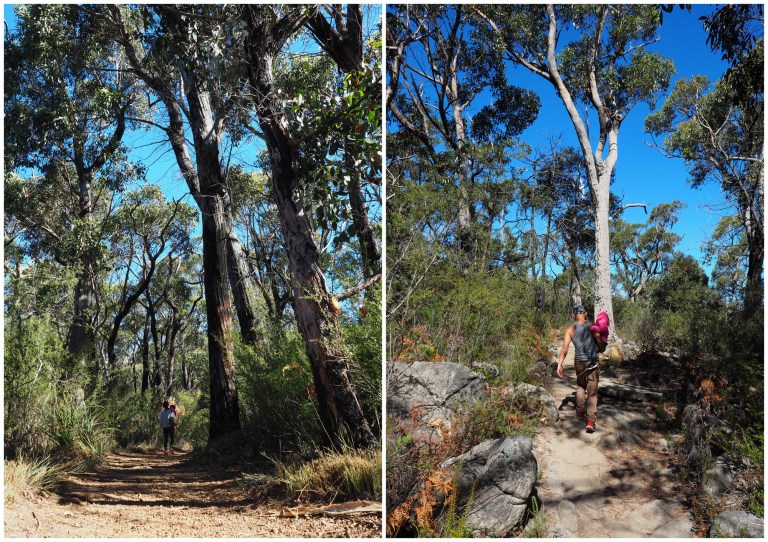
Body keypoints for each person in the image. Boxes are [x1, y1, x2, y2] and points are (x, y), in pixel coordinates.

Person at [556, 305, 604, 433]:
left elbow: (565, 348)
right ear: (586, 314)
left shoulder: (570, 329)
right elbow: (599, 340)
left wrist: (559, 363)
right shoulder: (592, 325)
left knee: (580, 386)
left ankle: (581, 412)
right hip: (592, 361)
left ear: (573, 315)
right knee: (592, 390)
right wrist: (602, 347)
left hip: (579, 361)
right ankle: (590, 421)